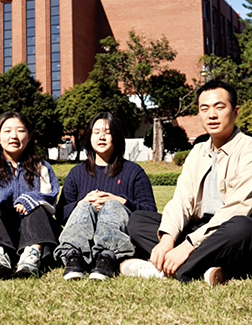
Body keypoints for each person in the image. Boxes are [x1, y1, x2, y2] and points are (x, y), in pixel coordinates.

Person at [125, 79, 252, 285]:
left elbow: (238, 209)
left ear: (235, 112)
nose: (212, 115)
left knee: (243, 227)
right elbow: (182, 200)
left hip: (229, 231)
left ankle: (172, 268)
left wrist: (188, 245)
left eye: (220, 107)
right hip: (198, 230)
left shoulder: (248, 150)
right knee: (138, 220)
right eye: (205, 109)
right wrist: (168, 239)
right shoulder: (198, 151)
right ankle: (207, 267)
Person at [54, 112, 156, 280]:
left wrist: (120, 201)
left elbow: (150, 212)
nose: (101, 137)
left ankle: (107, 257)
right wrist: (82, 203)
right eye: (96, 132)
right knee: (84, 206)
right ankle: (74, 258)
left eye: (107, 132)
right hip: (83, 240)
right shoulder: (77, 173)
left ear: (116, 137)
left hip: (117, 241)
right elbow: (60, 214)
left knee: (112, 206)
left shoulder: (134, 172)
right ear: (89, 137)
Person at [0, 111, 59, 279]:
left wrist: (30, 200)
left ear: (29, 136)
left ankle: (31, 256)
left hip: (36, 234)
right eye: (7, 131)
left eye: (20, 130)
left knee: (37, 209)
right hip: (1, 235)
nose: (14, 136)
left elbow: (51, 199)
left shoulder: (42, 167)